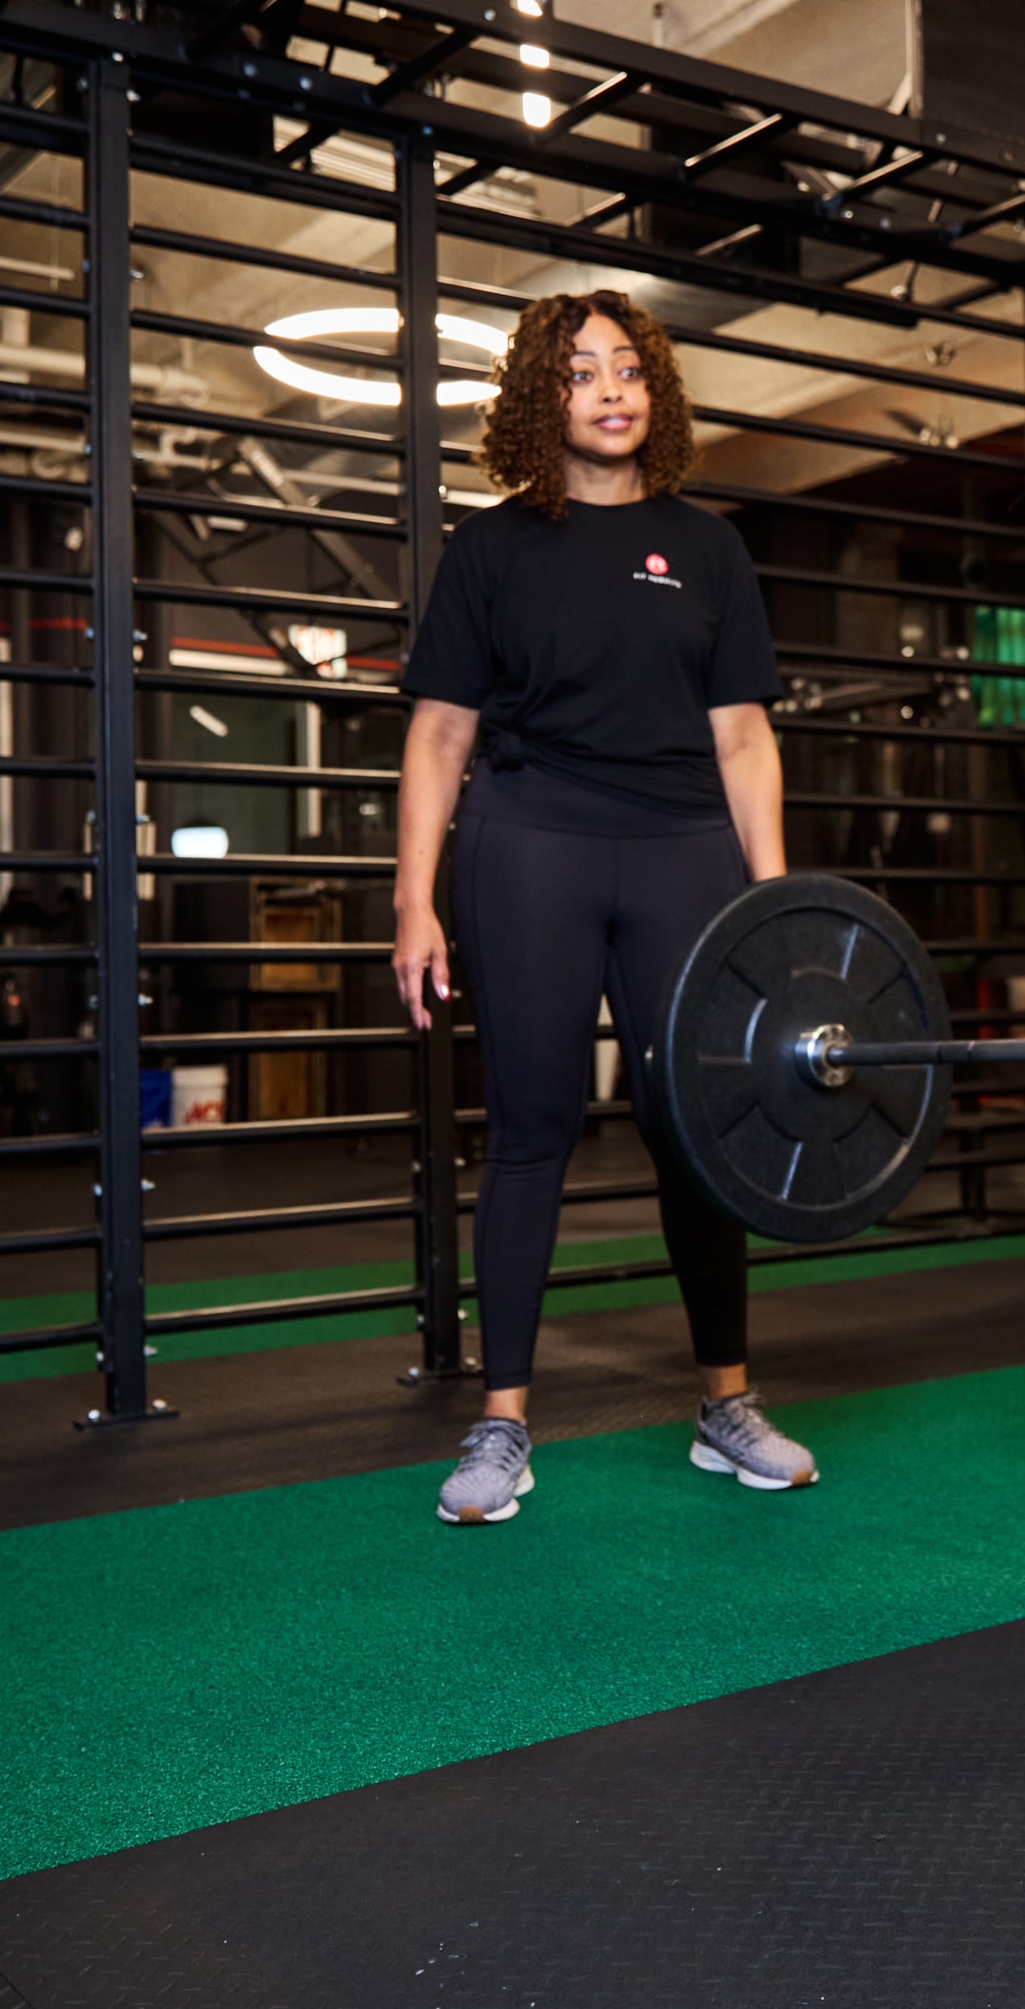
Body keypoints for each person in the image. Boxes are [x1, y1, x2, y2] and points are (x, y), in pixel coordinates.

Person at [392, 290, 819, 1523]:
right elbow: (436, 737)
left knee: (699, 1128)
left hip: (685, 846)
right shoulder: (490, 551)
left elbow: (744, 737)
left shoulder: (711, 547)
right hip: (532, 842)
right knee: (532, 1125)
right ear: (544, 399)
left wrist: (774, 892)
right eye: (581, 373)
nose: (612, 390)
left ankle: (725, 1405)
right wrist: (413, 902)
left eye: (629, 369)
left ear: (658, 391)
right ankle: (502, 1424)